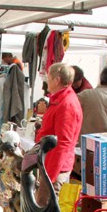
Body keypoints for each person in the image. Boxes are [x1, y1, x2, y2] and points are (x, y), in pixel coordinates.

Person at [35, 62, 82, 192]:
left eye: (48, 78)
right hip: (50, 163)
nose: (46, 81)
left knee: (46, 207)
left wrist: (51, 175)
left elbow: (63, 142)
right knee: (43, 206)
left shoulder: (67, 104)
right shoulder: (61, 99)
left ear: (57, 80)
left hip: (55, 167)